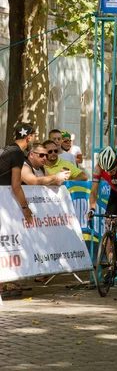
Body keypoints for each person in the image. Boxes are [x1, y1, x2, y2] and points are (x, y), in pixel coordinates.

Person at [0, 123, 36, 298]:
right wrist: (25, 208)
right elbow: (16, 185)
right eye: (34, 136)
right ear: (28, 137)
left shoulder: (8, 150)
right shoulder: (17, 154)